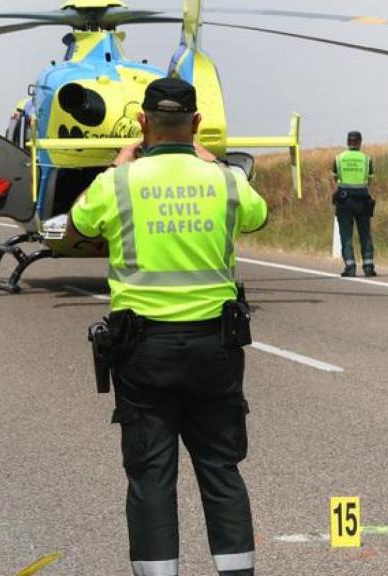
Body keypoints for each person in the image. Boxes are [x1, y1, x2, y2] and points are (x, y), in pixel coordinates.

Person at [67, 78, 267, 576]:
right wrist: (213, 163)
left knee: (151, 475)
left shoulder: (117, 184)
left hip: (143, 350)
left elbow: (76, 229)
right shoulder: (224, 181)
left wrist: (118, 167)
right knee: (221, 468)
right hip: (214, 347)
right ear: (197, 123)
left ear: (142, 123)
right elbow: (257, 217)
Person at [332, 131, 376, 277]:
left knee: (346, 235)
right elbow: (369, 180)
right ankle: (368, 266)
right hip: (363, 201)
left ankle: (350, 267)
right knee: (365, 234)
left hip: (344, 202)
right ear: (360, 142)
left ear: (348, 142)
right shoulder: (366, 159)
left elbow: (335, 177)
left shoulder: (339, 158)